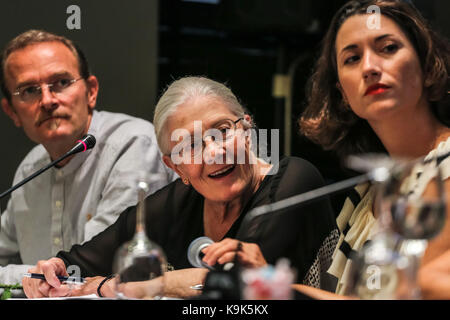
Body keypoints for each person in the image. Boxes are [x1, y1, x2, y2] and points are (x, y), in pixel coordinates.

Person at [22, 76, 339, 299]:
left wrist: (115, 286)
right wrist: (53, 271)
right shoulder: (179, 201)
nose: (214, 152)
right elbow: (82, 262)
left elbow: (232, 284)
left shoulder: (294, 180)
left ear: (248, 129)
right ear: (175, 167)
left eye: (223, 131)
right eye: (190, 145)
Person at [296, 0, 450, 298]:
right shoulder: (366, 194)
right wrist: (263, 278)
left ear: (429, 67)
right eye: (352, 58)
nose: (369, 67)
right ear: (343, 95)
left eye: (388, 48)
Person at [0, 30, 175, 286]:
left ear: (91, 91)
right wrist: (31, 277)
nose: (47, 100)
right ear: (12, 111)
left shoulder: (134, 144)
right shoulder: (30, 168)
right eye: (29, 90)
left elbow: (94, 270)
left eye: (61, 82)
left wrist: (27, 277)